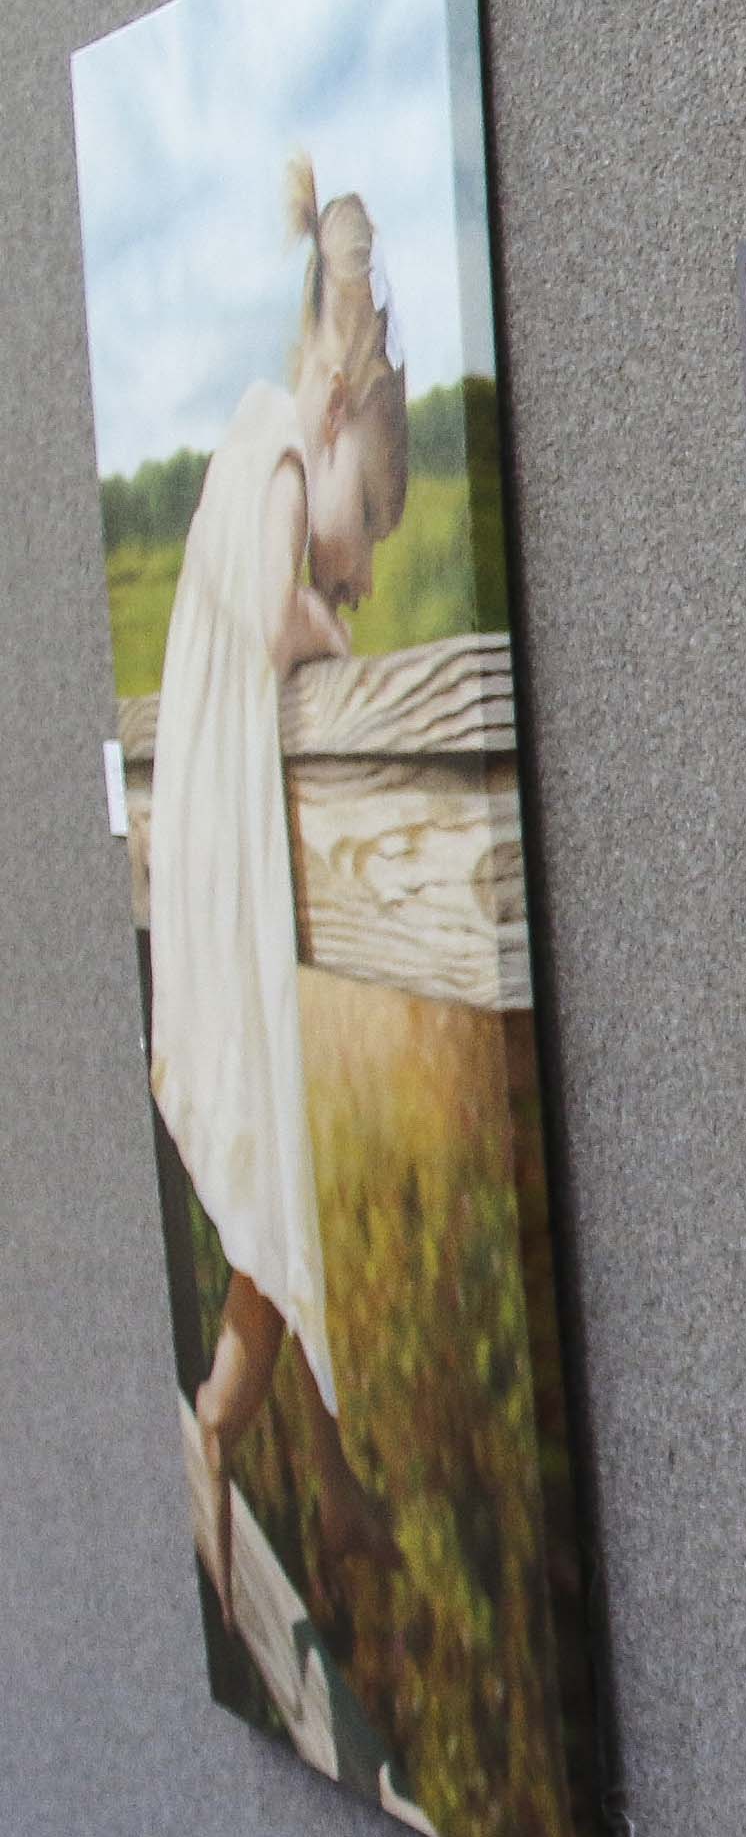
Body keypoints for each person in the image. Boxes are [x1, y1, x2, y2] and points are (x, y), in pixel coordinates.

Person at [150, 154, 407, 1607]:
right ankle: (230, 1434)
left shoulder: (274, 438)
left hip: (216, 827)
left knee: (274, 1202)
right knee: (267, 1189)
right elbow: (274, 602)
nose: (364, 565)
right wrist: (332, 633)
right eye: (368, 529)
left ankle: (290, 1467)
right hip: (220, 849)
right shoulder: (284, 447)